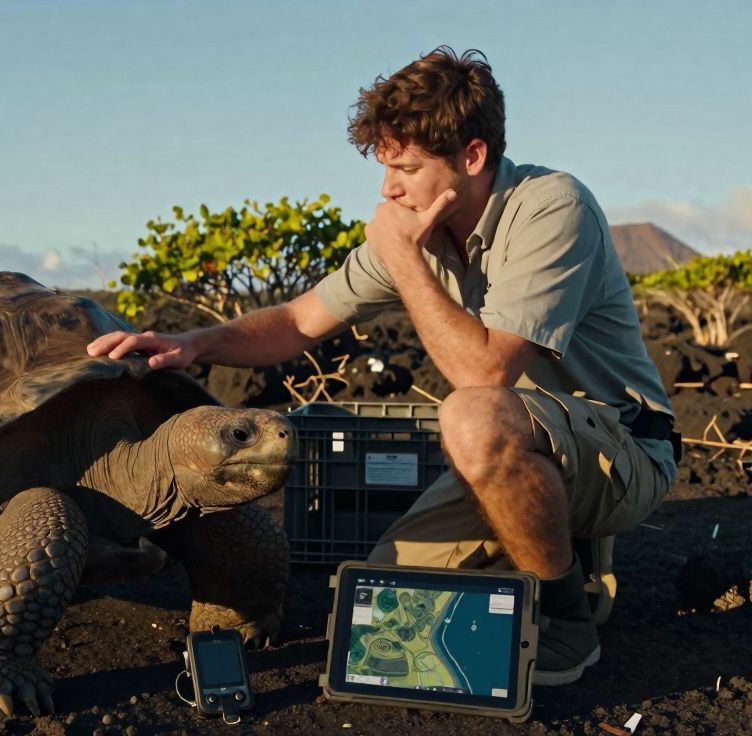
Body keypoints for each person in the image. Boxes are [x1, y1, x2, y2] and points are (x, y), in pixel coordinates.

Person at [86, 46, 678, 687]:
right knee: (373, 619)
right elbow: (297, 320)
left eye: (406, 168)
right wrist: (196, 343)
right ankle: (540, 544)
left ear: (472, 158)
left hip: (618, 451)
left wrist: (402, 260)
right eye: (385, 167)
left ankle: (567, 621)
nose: (387, 188)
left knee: (473, 414)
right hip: (511, 444)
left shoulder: (551, 207)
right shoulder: (421, 228)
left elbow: (483, 376)